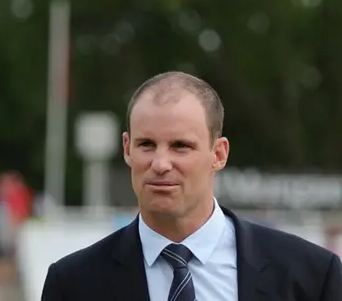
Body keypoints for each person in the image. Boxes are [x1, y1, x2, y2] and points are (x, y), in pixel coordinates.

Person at [41, 71, 342, 301]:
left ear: (219, 154)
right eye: (146, 144)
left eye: (180, 146)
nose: (160, 163)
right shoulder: (73, 283)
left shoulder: (310, 276)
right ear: (127, 148)